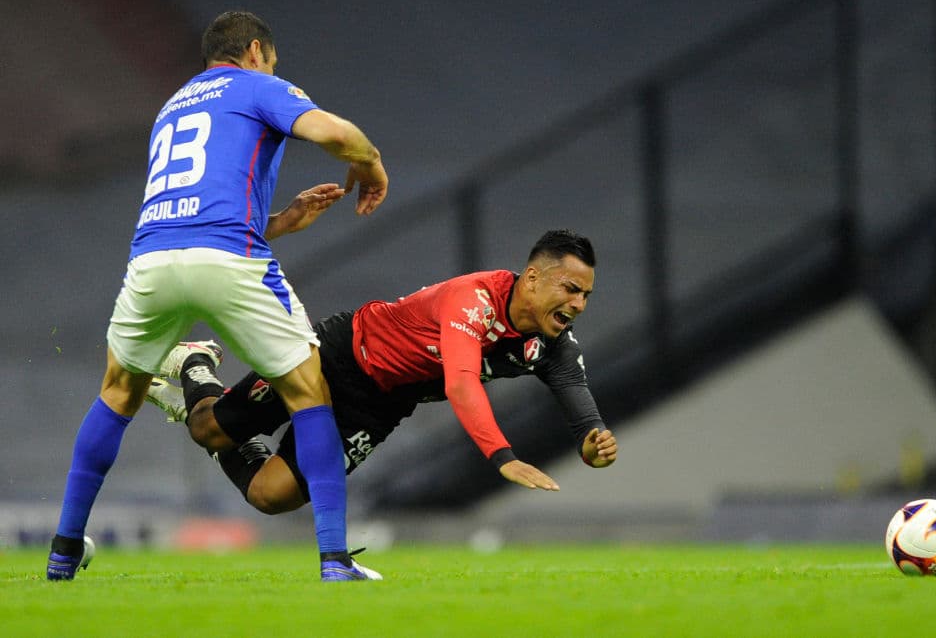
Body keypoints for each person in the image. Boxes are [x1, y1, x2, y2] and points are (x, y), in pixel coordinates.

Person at [47, 10, 389, 583]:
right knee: (309, 391)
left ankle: (62, 552)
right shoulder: (258, 85)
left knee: (118, 391)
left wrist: (281, 220)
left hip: (152, 259)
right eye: (272, 60)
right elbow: (335, 133)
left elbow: (195, 209)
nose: (274, 69)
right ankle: (334, 560)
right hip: (229, 260)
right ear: (255, 50)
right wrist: (371, 164)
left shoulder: (172, 106)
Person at [148, 230, 618, 546]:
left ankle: (228, 425)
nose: (578, 304)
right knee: (208, 430)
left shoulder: (554, 345)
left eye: (587, 296)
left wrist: (591, 438)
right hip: (337, 356)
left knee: (272, 496)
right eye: (571, 289)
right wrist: (503, 456)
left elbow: (574, 390)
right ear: (533, 279)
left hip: (380, 405)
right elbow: (460, 383)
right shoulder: (474, 300)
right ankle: (196, 363)